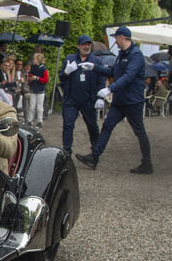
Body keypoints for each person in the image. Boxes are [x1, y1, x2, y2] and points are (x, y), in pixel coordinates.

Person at [76, 26, 152, 174]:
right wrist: (94, 67)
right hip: (120, 100)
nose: (115, 42)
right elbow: (113, 72)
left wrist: (110, 89)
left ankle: (147, 163)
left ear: (122, 37)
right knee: (107, 126)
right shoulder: (122, 54)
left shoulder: (135, 55)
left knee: (140, 132)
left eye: (116, 38)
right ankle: (94, 157)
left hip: (132, 101)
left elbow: (128, 76)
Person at [58, 35, 103, 156]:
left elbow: (101, 80)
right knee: (68, 125)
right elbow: (61, 77)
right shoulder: (70, 59)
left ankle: (95, 152)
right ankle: (67, 152)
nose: (86, 46)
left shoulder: (96, 61)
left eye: (88, 44)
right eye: (83, 44)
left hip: (88, 99)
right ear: (78, 46)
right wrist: (66, 72)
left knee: (92, 126)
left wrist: (100, 97)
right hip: (71, 99)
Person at [27, 52, 48, 129]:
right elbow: (29, 74)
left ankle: (39, 121)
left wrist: (37, 78)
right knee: (32, 106)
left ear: (38, 60)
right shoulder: (33, 68)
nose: (33, 60)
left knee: (39, 107)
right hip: (33, 89)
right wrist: (31, 77)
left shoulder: (43, 69)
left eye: (34, 59)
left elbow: (45, 80)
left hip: (40, 91)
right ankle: (30, 120)